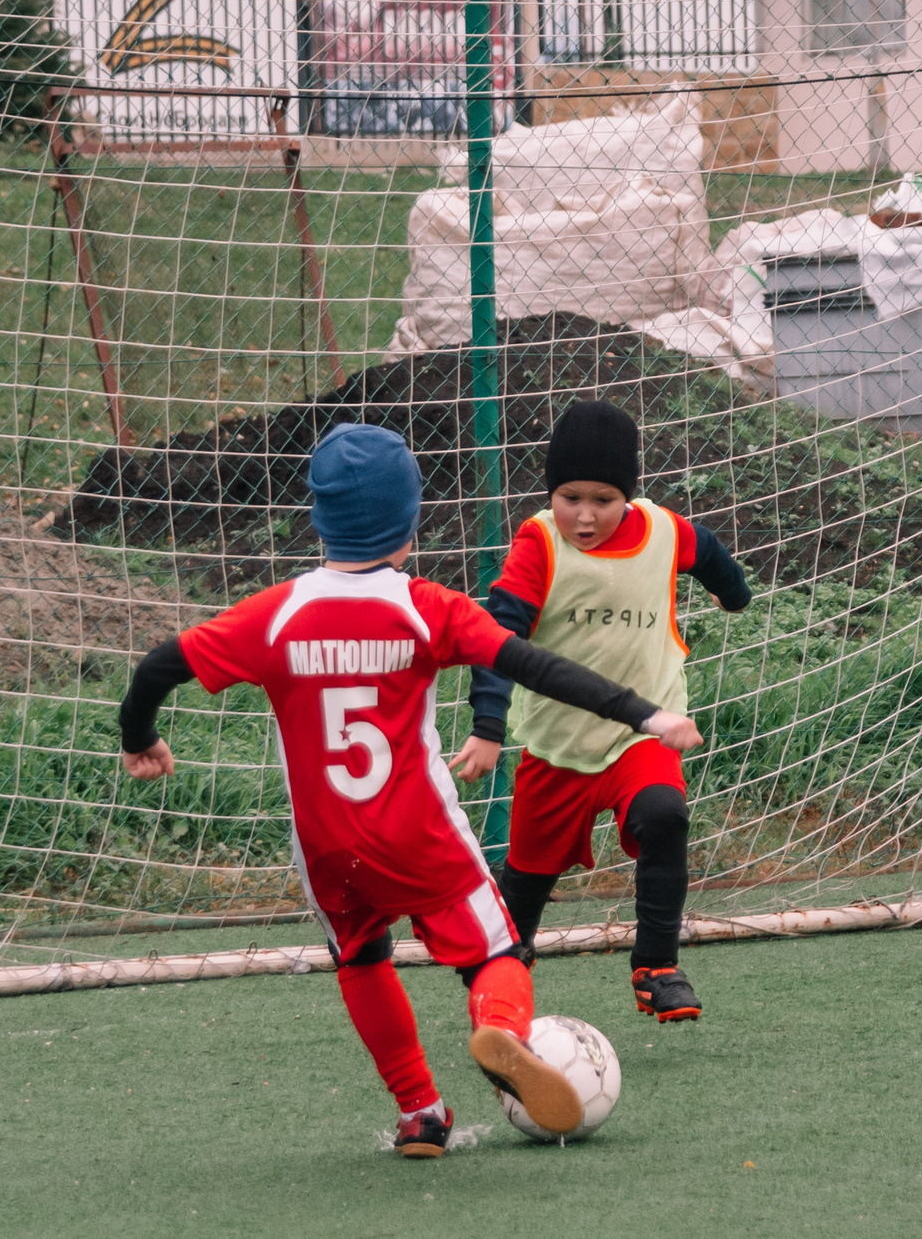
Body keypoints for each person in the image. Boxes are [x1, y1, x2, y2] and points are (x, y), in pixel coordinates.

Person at [115, 421, 704, 1158]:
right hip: (415, 831)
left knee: (361, 957)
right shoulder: (427, 606)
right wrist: (645, 712)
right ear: (410, 520)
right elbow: (537, 666)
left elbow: (157, 668)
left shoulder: (272, 616)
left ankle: (420, 1112)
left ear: (318, 518)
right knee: (500, 953)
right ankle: (499, 1027)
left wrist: (139, 736)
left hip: (325, 843)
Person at [456, 399, 751, 1024]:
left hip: (643, 736)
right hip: (557, 747)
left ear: (628, 496)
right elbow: (495, 638)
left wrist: (733, 592)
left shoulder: (667, 531)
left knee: (665, 816)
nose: (584, 516)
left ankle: (657, 968)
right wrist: (487, 728)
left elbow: (712, 553)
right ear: (550, 492)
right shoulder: (539, 544)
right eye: (569, 497)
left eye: (603, 499)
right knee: (524, 890)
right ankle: (504, 980)